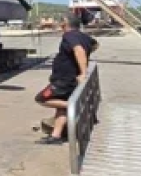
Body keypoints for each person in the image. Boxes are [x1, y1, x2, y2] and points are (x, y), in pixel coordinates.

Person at [36, 14, 98, 144]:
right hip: (68, 79)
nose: (59, 25)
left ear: (65, 24)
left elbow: (78, 50)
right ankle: (56, 136)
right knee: (61, 107)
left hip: (65, 80)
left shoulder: (69, 35)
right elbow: (95, 45)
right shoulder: (84, 36)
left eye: (61, 23)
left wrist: (83, 72)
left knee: (42, 98)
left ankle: (76, 105)